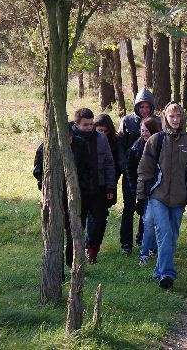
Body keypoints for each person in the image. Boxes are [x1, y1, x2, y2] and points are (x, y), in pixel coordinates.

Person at [137, 102, 187, 289]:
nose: (175, 120)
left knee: (172, 235)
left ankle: (159, 270)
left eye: (178, 116)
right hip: (158, 195)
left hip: (180, 198)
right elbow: (145, 170)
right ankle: (167, 273)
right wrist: (141, 198)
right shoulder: (156, 140)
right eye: (171, 116)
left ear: (182, 118)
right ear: (165, 118)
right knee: (164, 231)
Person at [33, 123, 91, 274]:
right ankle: (57, 270)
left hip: (76, 196)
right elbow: (38, 171)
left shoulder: (81, 145)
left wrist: (80, 187)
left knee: (74, 230)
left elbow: (88, 169)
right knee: (55, 232)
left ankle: (73, 264)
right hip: (54, 197)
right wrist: (46, 188)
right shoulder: (45, 148)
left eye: (69, 138)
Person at [71, 108, 115, 264]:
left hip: (99, 187)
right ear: (77, 124)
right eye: (86, 125)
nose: (90, 127)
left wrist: (110, 187)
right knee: (77, 223)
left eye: (91, 124)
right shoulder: (70, 138)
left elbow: (109, 162)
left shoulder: (101, 138)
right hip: (77, 190)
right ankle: (75, 255)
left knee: (100, 221)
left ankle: (92, 250)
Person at [118, 89, 159, 254]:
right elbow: (120, 144)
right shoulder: (127, 121)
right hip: (131, 170)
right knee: (129, 207)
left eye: (147, 106)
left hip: (150, 172)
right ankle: (126, 243)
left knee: (146, 206)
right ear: (137, 107)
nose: (145, 110)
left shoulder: (157, 121)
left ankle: (143, 238)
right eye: (141, 106)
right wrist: (124, 165)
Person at [125, 117, 162, 265]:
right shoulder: (135, 148)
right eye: (142, 131)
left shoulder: (161, 145)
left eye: (147, 131)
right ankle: (144, 249)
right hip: (142, 187)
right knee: (146, 219)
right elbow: (130, 169)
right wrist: (135, 188)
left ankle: (153, 246)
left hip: (158, 188)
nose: (144, 134)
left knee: (155, 220)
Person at [89, 114, 125, 250]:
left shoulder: (115, 143)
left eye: (105, 130)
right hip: (91, 183)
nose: (102, 133)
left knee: (100, 218)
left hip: (108, 184)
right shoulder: (90, 140)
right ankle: (89, 245)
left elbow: (115, 164)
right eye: (99, 130)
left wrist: (111, 184)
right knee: (92, 216)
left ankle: (93, 245)